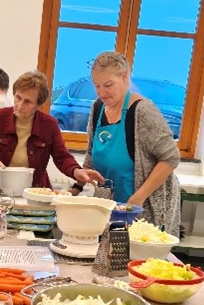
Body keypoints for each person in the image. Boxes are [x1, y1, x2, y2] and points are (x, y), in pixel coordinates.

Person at [76, 51, 181, 236]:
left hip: (141, 207)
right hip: (110, 204)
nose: (102, 92)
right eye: (97, 86)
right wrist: (75, 188)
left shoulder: (143, 111)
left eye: (108, 85)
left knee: (134, 259)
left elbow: (171, 158)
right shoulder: (97, 108)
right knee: (107, 254)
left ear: (124, 77)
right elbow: (91, 154)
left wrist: (138, 198)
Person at [0, 69, 103, 191]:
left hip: (32, 190)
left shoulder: (49, 125)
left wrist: (76, 171)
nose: (20, 105)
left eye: (28, 102)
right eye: (18, 97)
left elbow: (62, 157)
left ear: (38, 104)